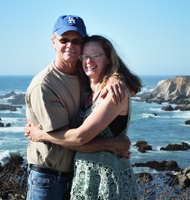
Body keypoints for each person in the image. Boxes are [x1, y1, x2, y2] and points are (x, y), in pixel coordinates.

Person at [25, 15, 131, 200]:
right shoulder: (45, 85)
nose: (70, 45)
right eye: (64, 40)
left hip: (77, 176)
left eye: (76, 41)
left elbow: (122, 94)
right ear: (53, 41)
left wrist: (115, 76)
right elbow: (75, 139)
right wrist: (112, 144)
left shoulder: (85, 78)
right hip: (48, 176)